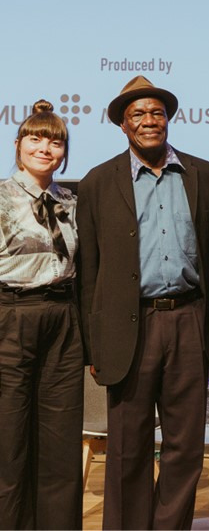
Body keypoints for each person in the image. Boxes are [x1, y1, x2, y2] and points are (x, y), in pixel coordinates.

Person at [78, 75, 209, 529]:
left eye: (156, 112)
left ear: (168, 119)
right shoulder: (97, 182)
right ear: (123, 125)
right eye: (138, 114)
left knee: (185, 446)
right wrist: (93, 345)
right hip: (129, 326)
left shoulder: (207, 176)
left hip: (189, 321)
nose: (149, 121)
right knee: (127, 447)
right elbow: (88, 271)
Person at [0, 100, 83, 529]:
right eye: (35, 139)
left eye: (55, 142)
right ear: (18, 145)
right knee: (9, 441)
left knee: (61, 442)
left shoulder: (71, 200)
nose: (45, 148)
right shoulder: (1, 197)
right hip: (11, 316)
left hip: (63, 318)